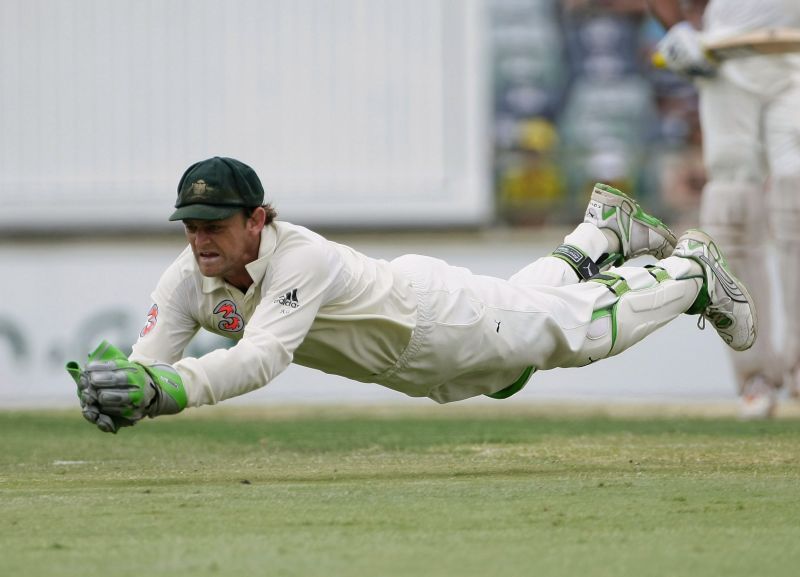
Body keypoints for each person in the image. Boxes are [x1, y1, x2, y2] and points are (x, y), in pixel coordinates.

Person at [66, 156, 755, 433]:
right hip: (421, 356)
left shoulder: (299, 254)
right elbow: (150, 362)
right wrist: (122, 392)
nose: (199, 241)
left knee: (570, 335)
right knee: (522, 345)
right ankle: (600, 234)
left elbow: (262, 357)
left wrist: (166, 388)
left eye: (214, 226)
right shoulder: (189, 275)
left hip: (439, 320)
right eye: (189, 228)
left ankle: (692, 271)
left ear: (258, 220)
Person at [647, 0, 800, 418]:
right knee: (732, 206)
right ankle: (755, 375)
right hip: (728, 58)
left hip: (796, 59)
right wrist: (677, 28)